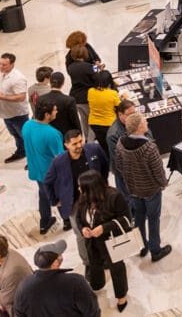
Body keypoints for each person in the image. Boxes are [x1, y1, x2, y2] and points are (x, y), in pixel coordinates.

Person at [114, 112, 172, 263]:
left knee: (138, 218)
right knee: (153, 219)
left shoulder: (120, 143)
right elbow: (158, 171)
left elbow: (118, 166)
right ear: (140, 127)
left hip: (133, 190)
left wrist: (130, 180)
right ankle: (155, 250)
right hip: (151, 190)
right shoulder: (149, 148)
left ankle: (142, 246)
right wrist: (163, 183)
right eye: (145, 122)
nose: (147, 124)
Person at [43, 130, 108, 262]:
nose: (79, 145)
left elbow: (105, 165)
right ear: (66, 145)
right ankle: (88, 262)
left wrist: (103, 185)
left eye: (80, 141)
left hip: (97, 198)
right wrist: (54, 200)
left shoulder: (94, 149)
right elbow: (47, 181)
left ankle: (105, 257)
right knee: (81, 234)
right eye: (74, 144)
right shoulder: (59, 162)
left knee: (102, 228)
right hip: (75, 203)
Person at [74, 171, 130, 311]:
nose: (78, 189)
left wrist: (104, 228)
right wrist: (83, 229)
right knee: (94, 264)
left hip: (112, 242)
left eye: (81, 187)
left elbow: (126, 220)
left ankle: (121, 296)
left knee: (116, 268)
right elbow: (79, 218)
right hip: (92, 242)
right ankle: (97, 285)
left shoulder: (114, 197)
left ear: (90, 188)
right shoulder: (84, 198)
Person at [13, 239, 100, 317]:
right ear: (55, 263)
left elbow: (19, 313)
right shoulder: (75, 282)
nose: (61, 255)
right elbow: (92, 312)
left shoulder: (22, 288)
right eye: (60, 254)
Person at [22, 97, 64, 234]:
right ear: (47, 115)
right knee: (59, 197)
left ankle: (44, 222)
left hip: (36, 170)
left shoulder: (27, 125)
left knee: (44, 195)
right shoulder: (52, 134)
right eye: (54, 110)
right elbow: (60, 158)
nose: (57, 112)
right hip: (52, 174)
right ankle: (68, 221)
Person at [0, 52, 29, 163]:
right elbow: (4, 87)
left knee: (26, 137)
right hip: (7, 113)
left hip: (18, 114)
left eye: (4, 65)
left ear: (12, 64)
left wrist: (2, 96)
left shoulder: (18, 78)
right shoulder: (4, 74)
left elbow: (21, 97)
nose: (1, 67)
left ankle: (33, 158)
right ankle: (21, 151)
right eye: (0, 64)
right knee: (16, 135)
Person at [65, 44, 97, 140]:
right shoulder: (89, 67)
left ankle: (86, 138)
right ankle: (90, 143)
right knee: (92, 120)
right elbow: (96, 77)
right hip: (87, 97)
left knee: (83, 120)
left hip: (75, 97)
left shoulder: (70, 67)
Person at [86, 70, 119, 157]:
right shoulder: (113, 93)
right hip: (109, 124)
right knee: (112, 145)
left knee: (103, 144)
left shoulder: (90, 91)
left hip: (94, 123)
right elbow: (119, 107)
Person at [44, 71, 81, 138]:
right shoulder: (69, 100)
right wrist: (79, 135)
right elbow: (75, 120)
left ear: (50, 82)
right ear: (63, 83)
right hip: (66, 136)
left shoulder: (42, 99)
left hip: (47, 135)